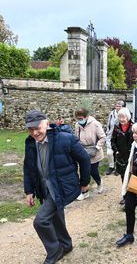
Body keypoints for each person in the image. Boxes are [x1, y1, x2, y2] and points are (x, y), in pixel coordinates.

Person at [24, 110, 91, 264]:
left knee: (40, 221)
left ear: (46, 124)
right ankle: (66, 245)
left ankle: (55, 252)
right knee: (56, 216)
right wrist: (29, 191)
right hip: (43, 188)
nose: (34, 132)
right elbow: (28, 167)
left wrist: (84, 183)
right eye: (30, 129)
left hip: (60, 188)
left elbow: (85, 159)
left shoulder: (65, 139)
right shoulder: (30, 142)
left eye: (37, 128)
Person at [74, 108, 106, 200]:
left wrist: (97, 147)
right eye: (77, 119)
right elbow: (76, 137)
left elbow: (103, 137)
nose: (79, 120)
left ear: (86, 117)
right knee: (84, 172)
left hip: (94, 151)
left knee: (93, 171)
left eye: (81, 118)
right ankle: (85, 192)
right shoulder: (77, 125)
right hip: (83, 151)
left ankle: (99, 182)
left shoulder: (95, 124)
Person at [111, 107, 134, 205]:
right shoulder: (116, 128)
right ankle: (125, 197)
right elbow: (112, 141)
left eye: (123, 117)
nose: (121, 119)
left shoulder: (133, 127)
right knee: (123, 177)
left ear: (127, 117)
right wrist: (116, 151)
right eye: (119, 117)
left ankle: (132, 196)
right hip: (120, 156)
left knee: (131, 177)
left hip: (131, 155)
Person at [105, 100, 125, 175]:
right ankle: (111, 166)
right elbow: (108, 124)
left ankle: (118, 168)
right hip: (110, 135)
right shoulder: (111, 113)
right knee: (109, 153)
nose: (118, 107)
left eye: (120, 106)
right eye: (117, 106)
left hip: (119, 136)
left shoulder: (124, 114)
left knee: (118, 152)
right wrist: (107, 132)